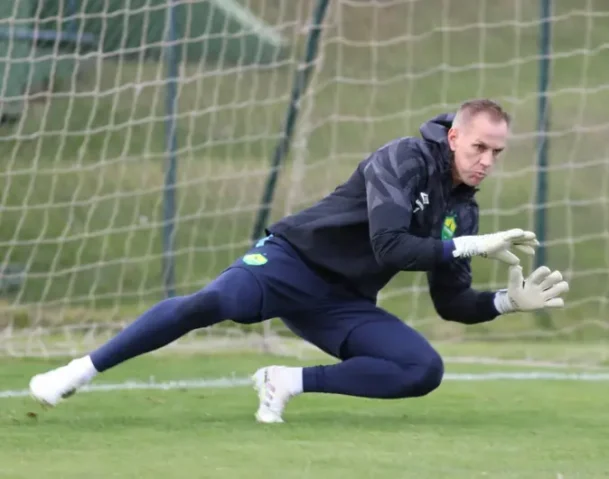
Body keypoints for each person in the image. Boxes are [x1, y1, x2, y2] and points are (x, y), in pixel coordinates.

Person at [29, 99, 569, 423]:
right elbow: (391, 246)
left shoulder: (463, 212)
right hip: (292, 262)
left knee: (422, 369)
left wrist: (503, 302)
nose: (487, 161)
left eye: (497, 153)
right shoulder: (401, 158)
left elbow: (450, 303)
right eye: (479, 147)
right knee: (216, 301)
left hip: (342, 303)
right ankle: (79, 370)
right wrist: (471, 246)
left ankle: (285, 381)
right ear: (454, 137)